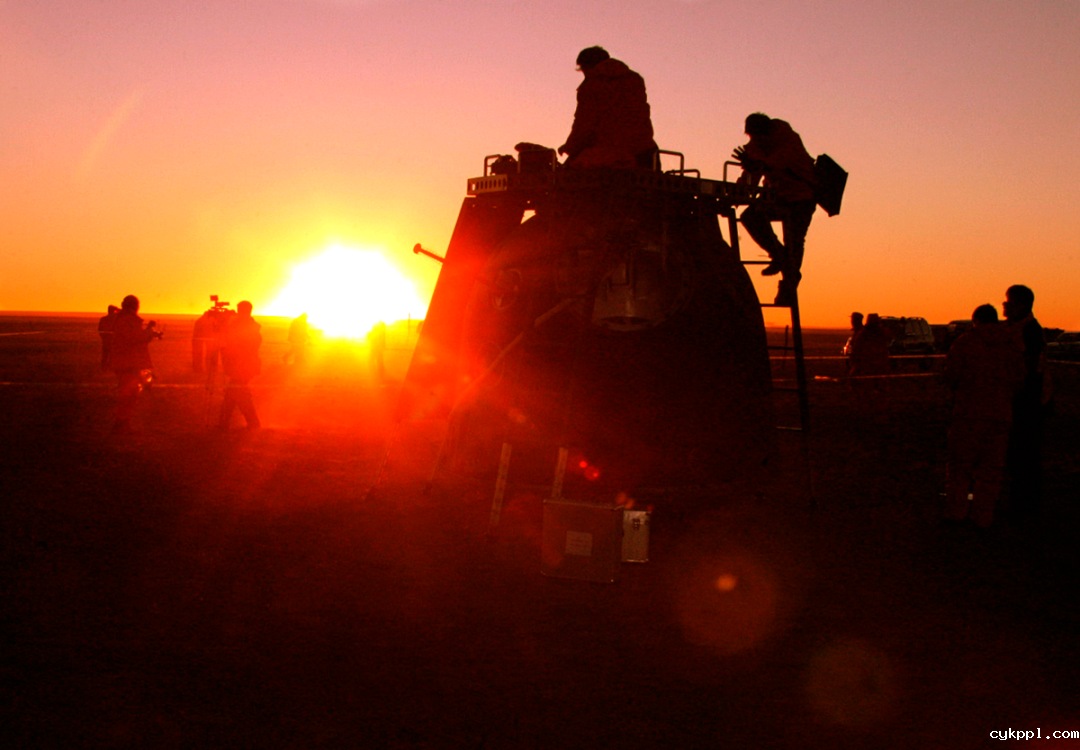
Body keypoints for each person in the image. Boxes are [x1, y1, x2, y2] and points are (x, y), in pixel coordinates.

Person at [942, 304, 1024, 529]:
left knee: (960, 468)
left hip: (968, 414)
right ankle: (983, 516)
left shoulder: (966, 343)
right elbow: (1019, 379)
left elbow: (951, 376)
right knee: (991, 470)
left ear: (975, 320)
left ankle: (956, 512)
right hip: (1000, 415)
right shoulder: (1012, 344)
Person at [732, 113, 817, 306]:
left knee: (794, 241)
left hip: (801, 196)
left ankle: (788, 285)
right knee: (750, 216)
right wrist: (737, 194)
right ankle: (779, 256)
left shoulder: (786, 137)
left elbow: (781, 160)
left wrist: (759, 164)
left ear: (766, 131)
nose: (753, 140)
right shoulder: (756, 145)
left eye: (756, 136)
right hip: (777, 196)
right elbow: (751, 175)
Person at [558, 46, 658, 170]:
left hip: (611, 157)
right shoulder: (634, 79)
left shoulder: (592, 85)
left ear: (587, 66)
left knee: (563, 180)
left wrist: (570, 146)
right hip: (645, 152)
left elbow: (584, 124)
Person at [1002, 284, 1047, 521]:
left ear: (1020, 305)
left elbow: (1030, 367)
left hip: (1027, 402)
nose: (1004, 305)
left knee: (1025, 454)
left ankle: (1026, 505)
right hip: (1018, 399)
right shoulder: (1017, 328)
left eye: (1009, 301)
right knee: (1017, 455)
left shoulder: (1029, 330)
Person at [110, 295, 161, 432]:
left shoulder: (122, 319)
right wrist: (148, 333)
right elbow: (133, 339)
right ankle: (121, 423)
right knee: (129, 395)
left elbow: (133, 338)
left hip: (127, 362)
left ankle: (122, 423)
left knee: (130, 394)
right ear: (135, 306)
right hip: (129, 363)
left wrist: (147, 334)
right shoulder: (128, 320)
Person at [217, 300, 262, 430]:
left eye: (239, 310)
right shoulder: (245, 325)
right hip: (242, 365)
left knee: (237, 393)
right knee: (234, 393)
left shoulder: (247, 326)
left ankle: (252, 423)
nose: (237, 312)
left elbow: (239, 344)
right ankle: (225, 423)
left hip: (243, 366)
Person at [848, 313, 891, 414]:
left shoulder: (863, 334)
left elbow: (856, 349)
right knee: (877, 389)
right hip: (878, 365)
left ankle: (866, 409)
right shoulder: (880, 333)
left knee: (864, 388)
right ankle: (876, 409)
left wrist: (855, 362)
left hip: (866, 366)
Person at [97, 304, 119, 371]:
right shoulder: (115, 319)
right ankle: (108, 368)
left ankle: (104, 368)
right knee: (111, 355)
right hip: (112, 340)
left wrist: (103, 337)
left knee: (106, 355)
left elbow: (100, 329)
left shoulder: (103, 319)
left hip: (106, 340)